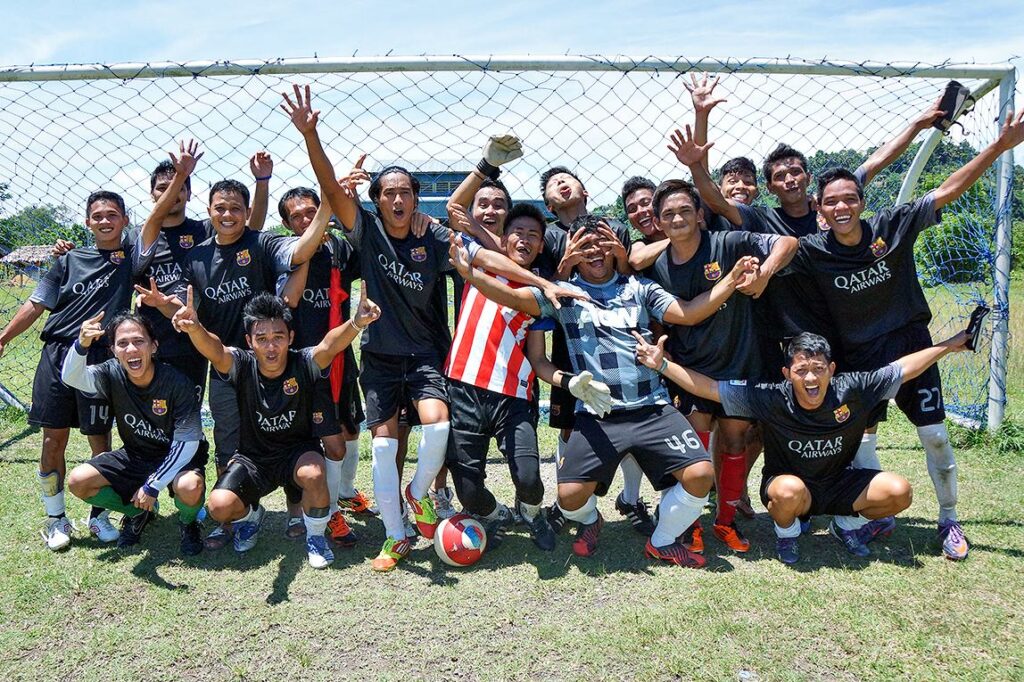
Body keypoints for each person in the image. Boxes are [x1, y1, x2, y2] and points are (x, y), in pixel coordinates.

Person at [282, 85, 580, 571]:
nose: (397, 199)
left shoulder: (433, 234)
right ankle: (395, 534)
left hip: (425, 355)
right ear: (377, 201)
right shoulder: (368, 229)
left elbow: (485, 256)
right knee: (382, 443)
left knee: (437, 424)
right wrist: (311, 136)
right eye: (389, 193)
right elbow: (333, 191)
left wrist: (543, 283)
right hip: (379, 356)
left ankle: (419, 494)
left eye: (405, 192)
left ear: (417, 199)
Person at [451, 213, 760, 568]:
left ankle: (662, 540)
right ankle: (591, 520)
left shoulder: (640, 288)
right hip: (597, 413)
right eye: (585, 244)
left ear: (616, 248)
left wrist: (732, 280)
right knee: (568, 499)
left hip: (651, 407)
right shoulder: (562, 293)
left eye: (602, 243)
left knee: (701, 475)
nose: (595, 251)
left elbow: (689, 313)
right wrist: (468, 274)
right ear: (573, 251)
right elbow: (511, 296)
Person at [788, 109, 1024, 560]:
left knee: (935, 436)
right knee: (862, 440)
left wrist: (998, 147)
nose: (841, 207)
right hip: (859, 360)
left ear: (861, 200)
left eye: (849, 199)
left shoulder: (892, 226)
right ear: (819, 210)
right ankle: (876, 514)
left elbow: (948, 189)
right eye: (831, 202)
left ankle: (949, 518)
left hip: (912, 346)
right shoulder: (812, 251)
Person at [636, 328, 972, 564]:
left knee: (899, 491)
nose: (810, 378)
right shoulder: (770, 396)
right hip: (792, 486)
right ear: (787, 373)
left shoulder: (854, 388)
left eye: (818, 369)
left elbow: (904, 368)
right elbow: (711, 389)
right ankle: (788, 534)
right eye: (801, 371)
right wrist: (662, 365)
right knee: (786, 492)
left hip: (840, 482)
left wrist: (950, 344)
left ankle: (847, 526)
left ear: (832, 369)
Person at [0, 142, 191, 549]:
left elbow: (157, 217)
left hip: (104, 358)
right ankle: (55, 520)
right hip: (58, 356)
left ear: (125, 220)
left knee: (100, 437)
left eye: (112, 215)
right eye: (97, 216)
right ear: (87, 222)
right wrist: (3, 338)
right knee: (53, 439)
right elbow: (36, 305)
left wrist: (179, 175)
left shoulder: (134, 258)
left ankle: (100, 514)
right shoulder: (67, 261)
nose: (105, 221)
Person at [640, 179, 797, 553]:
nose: (677, 218)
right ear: (659, 224)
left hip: (739, 364)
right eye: (668, 214)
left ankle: (725, 523)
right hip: (691, 371)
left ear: (699, 215)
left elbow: (786, 243)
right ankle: (691, 525)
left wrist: (766, 271)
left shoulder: (727, 243)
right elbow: (670, 317)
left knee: (734, 441)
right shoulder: (657, 267)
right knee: (693, 448)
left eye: (683, 211)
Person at [172, 290, 380, 568]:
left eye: (278, 337)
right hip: (254, 458)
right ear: (249, 341)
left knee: (314, 472)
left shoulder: (304, 362)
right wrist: (195, 328)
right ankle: (251, 516)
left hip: (297, 454)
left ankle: (316, 537)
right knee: (218, 507)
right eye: (262, 339)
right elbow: (215, 350)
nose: (271, 347)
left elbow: (329, 345)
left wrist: (356, 323)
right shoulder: (241, 364)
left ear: (291, 338)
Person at [62, 312, 207, 554]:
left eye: (139, 341)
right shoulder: (111, 373)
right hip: (136, 454)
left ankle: (189, 523)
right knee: (79, 482)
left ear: (153, 346)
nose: (131, 349)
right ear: (113, 351)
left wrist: (153, 485)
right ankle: (138, 512)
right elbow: (72, 377)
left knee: (190, 486)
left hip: (180, 456)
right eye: (122, 343)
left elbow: (188, 442)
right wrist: (81, 344)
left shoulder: (177, 383)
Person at [278, 189, 364, 546]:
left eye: (311, 212)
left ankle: (344, 491)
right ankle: (322, 512)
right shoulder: (287, 254)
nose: (305, 220)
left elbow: (365, 243)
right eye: (296, 216)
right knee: (315, 439)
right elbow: (287, 300)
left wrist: (353, 200)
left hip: (342, 354)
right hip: (305, 363)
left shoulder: (340, 249)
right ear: (286, 223)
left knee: (351, 428)